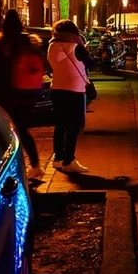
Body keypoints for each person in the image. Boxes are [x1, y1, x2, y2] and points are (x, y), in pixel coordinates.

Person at [0, 10, 46, 179]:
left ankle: (10, 166)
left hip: (4, 93)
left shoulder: (1, 43)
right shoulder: (29, 42)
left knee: (4, 130)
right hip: (26, 93)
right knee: (22, 129)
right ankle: (35, 165)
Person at [48, 19, 96, 173]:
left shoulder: (51, 46)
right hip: (75, 90)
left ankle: (58, 158)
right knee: (74, 126)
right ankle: (69, 160)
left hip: (56, 88)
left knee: (60, 125)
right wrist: (86, 50)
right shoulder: (77, 46)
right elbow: (91, 64)